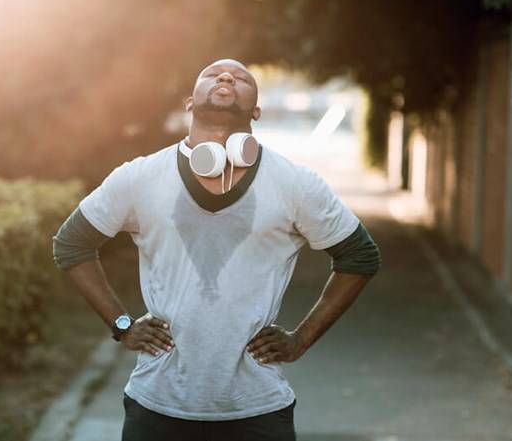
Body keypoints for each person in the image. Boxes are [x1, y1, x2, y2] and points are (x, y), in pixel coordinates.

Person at [52, 59, 381, 441]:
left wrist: (301, 338)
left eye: (241, 78)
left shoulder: (295, 183)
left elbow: (360, 256)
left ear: (256, 110)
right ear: (190, 102)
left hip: (258, 409)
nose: (226, 77)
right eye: (213, 74)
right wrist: (121, 324)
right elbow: (70, 244)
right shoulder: (139, 177)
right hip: (157, 405)